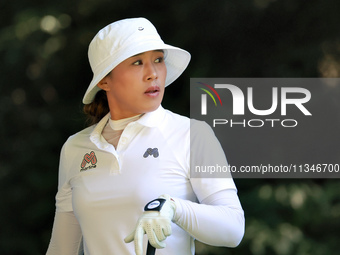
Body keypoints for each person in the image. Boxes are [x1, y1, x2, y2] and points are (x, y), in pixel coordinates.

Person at [46, 17, 245, 255]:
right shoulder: (75, 148)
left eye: (158, 60)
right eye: (137, 62)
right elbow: (62, 248)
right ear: (104, 80)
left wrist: (173, 208)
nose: (153, 73)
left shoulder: (191, 134)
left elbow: (233, 228)